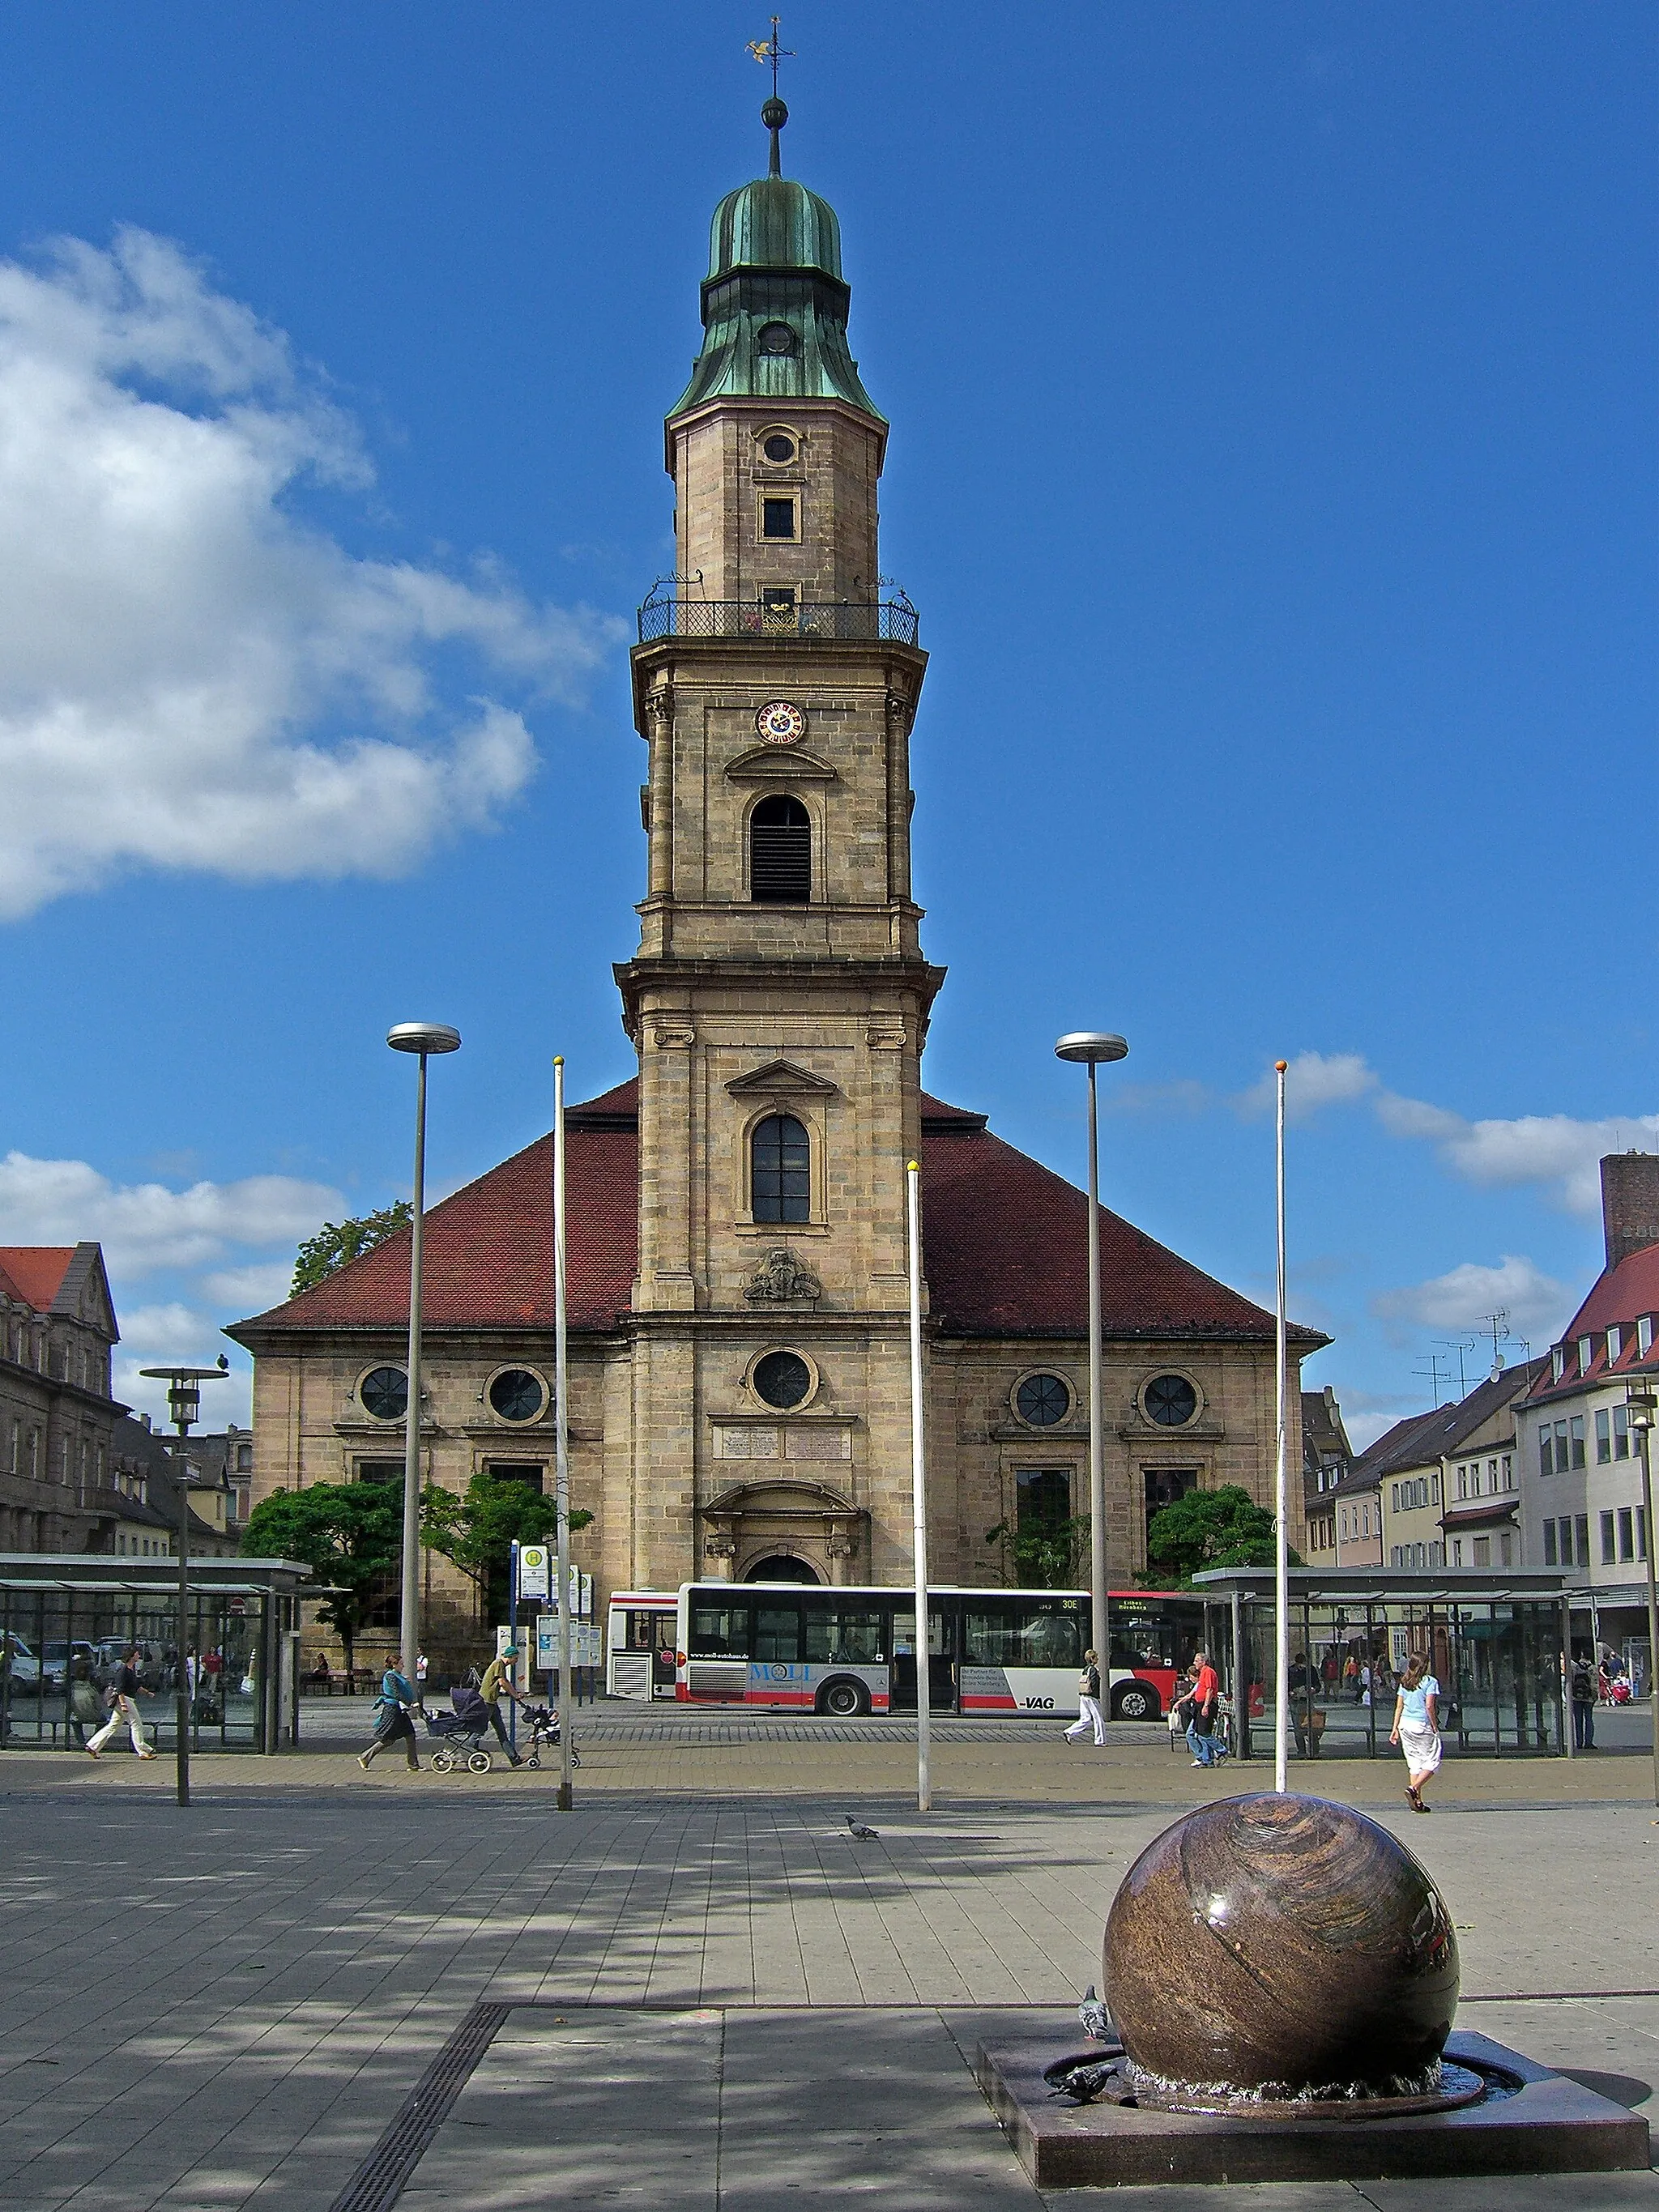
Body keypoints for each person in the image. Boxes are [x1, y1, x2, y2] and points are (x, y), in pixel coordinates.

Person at [1389, 1653, 1441, 1812]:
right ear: (1425, 1666)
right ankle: (1414, 1788)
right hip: (1421, 1724)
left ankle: (1417, 1802)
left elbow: (1399, 1707)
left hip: (1405, 1725)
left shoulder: (1404, 1682)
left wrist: (1395, 1729)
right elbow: (1429, 1706)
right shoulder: (1430, 1682)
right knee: (1433, 1761)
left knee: (1414, 1764)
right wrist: (1434, 1725)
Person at [86, 1647, 156, 1760]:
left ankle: (92, 1746)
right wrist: (123, 1704)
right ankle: (142, 1751)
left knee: (113, 1725)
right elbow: (120, 1689)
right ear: (132, 1656)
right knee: (136, 1724)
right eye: (137, 1654)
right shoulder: (123, 1671)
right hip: (125, 1700)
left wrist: (147, 1693)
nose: (139, 1656)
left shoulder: (130, 1670)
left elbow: (136, 1686)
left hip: (126, 1699)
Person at [358, 1654, 420, 1772]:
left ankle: (413, 1764)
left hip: (399, 1710)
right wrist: (410, 1703)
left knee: (410, 1734)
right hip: (393, 1710)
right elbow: (395, 1693)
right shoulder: (390, 1676)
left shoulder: (396, 1675)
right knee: (388, 1739)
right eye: (401, 1664)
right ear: (394, 1664)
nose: (403, 1666)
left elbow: (400, 1685)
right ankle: (365, 1757)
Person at [479, 1646, 526, 1766]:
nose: (517, 1661)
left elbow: (505, 1682)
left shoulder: (501, 1665)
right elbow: (502, 1682)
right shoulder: (499, 1664)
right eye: (516, 1658)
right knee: (478, 1730)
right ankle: (469, 1751)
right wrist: (515, 1695)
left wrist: (514, 1693)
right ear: (510, 1657)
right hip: (487, 1702)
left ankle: (514, 1759)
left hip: (492, 1702)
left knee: (502, 1732)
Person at [1186, 1647, 1225, 1767]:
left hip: (1206, 1704)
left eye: (1197, 1661)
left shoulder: (1208, 1672)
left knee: (1203, 1732)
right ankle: (1207, 1760)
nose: (1194, 1663)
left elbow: (1210, 1689)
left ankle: (1221, 1749)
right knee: (1200, 1731)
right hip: (1200, 1704)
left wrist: (1206, 1706)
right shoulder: (1203, 1672)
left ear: (1203, 1662)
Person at [1064, 1648, 1105, 1746]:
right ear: (1092, 1658)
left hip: (1083, 1696)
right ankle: (1100, 1740)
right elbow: (1094, 1684)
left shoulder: (1085, 1669)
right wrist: (1096, 1696)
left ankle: (1069, 1732)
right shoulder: (1093, 1670)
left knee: (1085, 1718)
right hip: (1091, 1697)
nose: (1098, 1659)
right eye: (1096, 1657)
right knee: (1098, 1719)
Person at [67, 1653, 100, 1750]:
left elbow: (69, 1706)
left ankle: (80, 1741)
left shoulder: (72, 1689)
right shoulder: (91, 1689)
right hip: (93, 1715)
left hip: (78, 1716)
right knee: (103, 1720)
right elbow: (98, 1706)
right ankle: (93, 1740)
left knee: (75, 1722)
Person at [1571, 1656, 1597, 1750]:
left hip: (1576, 1697)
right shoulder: (1593, 1668)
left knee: (1578, 1720)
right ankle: (1588, 1742)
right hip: (1588, 1697)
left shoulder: (1574, 1666)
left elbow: (1571, 1681)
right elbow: (1594, 1684)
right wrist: (1595, 1696)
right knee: (1589, 1719)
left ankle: (1579, 1742)